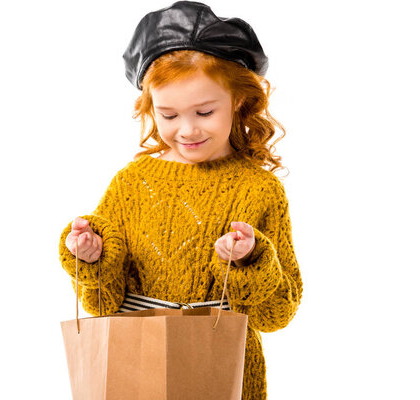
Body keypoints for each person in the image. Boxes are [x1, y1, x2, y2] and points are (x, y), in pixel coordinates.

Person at [58, 1, 303, 399]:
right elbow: (102, 304)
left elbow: (277, 314)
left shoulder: (260, 190)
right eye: (168, 115)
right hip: (132, 364)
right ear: (150, 107)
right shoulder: (133, 183)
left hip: (227, 372)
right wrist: (90, 256)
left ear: (238, 100)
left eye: (204, 111)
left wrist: (251, 258)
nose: (187, 130)